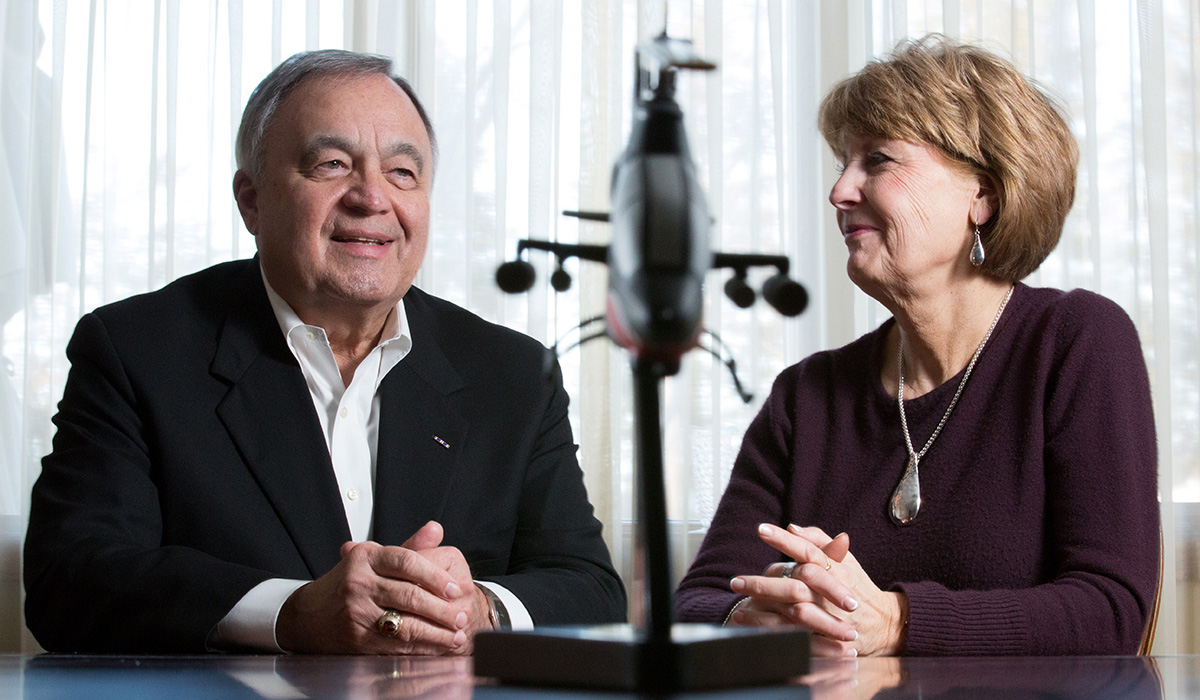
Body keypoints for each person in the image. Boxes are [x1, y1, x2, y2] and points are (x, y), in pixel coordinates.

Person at [23, 49, 625, 654]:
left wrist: (482, 610)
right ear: (252, 201)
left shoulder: (512, 373)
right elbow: (70, 581)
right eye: (332, 165)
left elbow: (590, 587)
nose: (371, 197)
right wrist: (291, 612)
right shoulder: (137, 351)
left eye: (403, 173)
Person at [675, 36, 1159, 657]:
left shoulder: (1076, 341)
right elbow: (699, 600)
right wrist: (752, 614)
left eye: (877, 160)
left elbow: (1111, 610)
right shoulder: (806, 394)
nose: (840, 192)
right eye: (842, 164)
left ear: (982, 195)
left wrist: (898, 621)